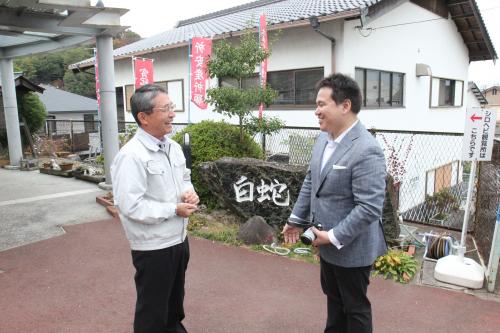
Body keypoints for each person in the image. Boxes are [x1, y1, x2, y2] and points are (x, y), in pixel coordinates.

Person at [282, 73, 387, 333]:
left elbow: (369, 208)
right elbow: (311, 182)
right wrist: (295, 219)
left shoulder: (366, 148)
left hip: (350, 246)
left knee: (355, 308)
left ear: (345, 105)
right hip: (324, 241)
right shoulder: (323, 139)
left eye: (321, 104)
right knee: (334, 302)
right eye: (316, 105)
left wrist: (333, 235)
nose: (316, 111)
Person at [111, 84, 199, 333]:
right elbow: (131, 205)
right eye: (166, 109)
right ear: (144, 117)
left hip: (178, 240)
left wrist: (190, 193)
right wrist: (174, 209)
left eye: (172, 108)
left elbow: (184, 179)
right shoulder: (131, 156)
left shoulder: (172, 147)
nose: (172, 114)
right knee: (152, 313)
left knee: (173, 307)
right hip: (153, 247)